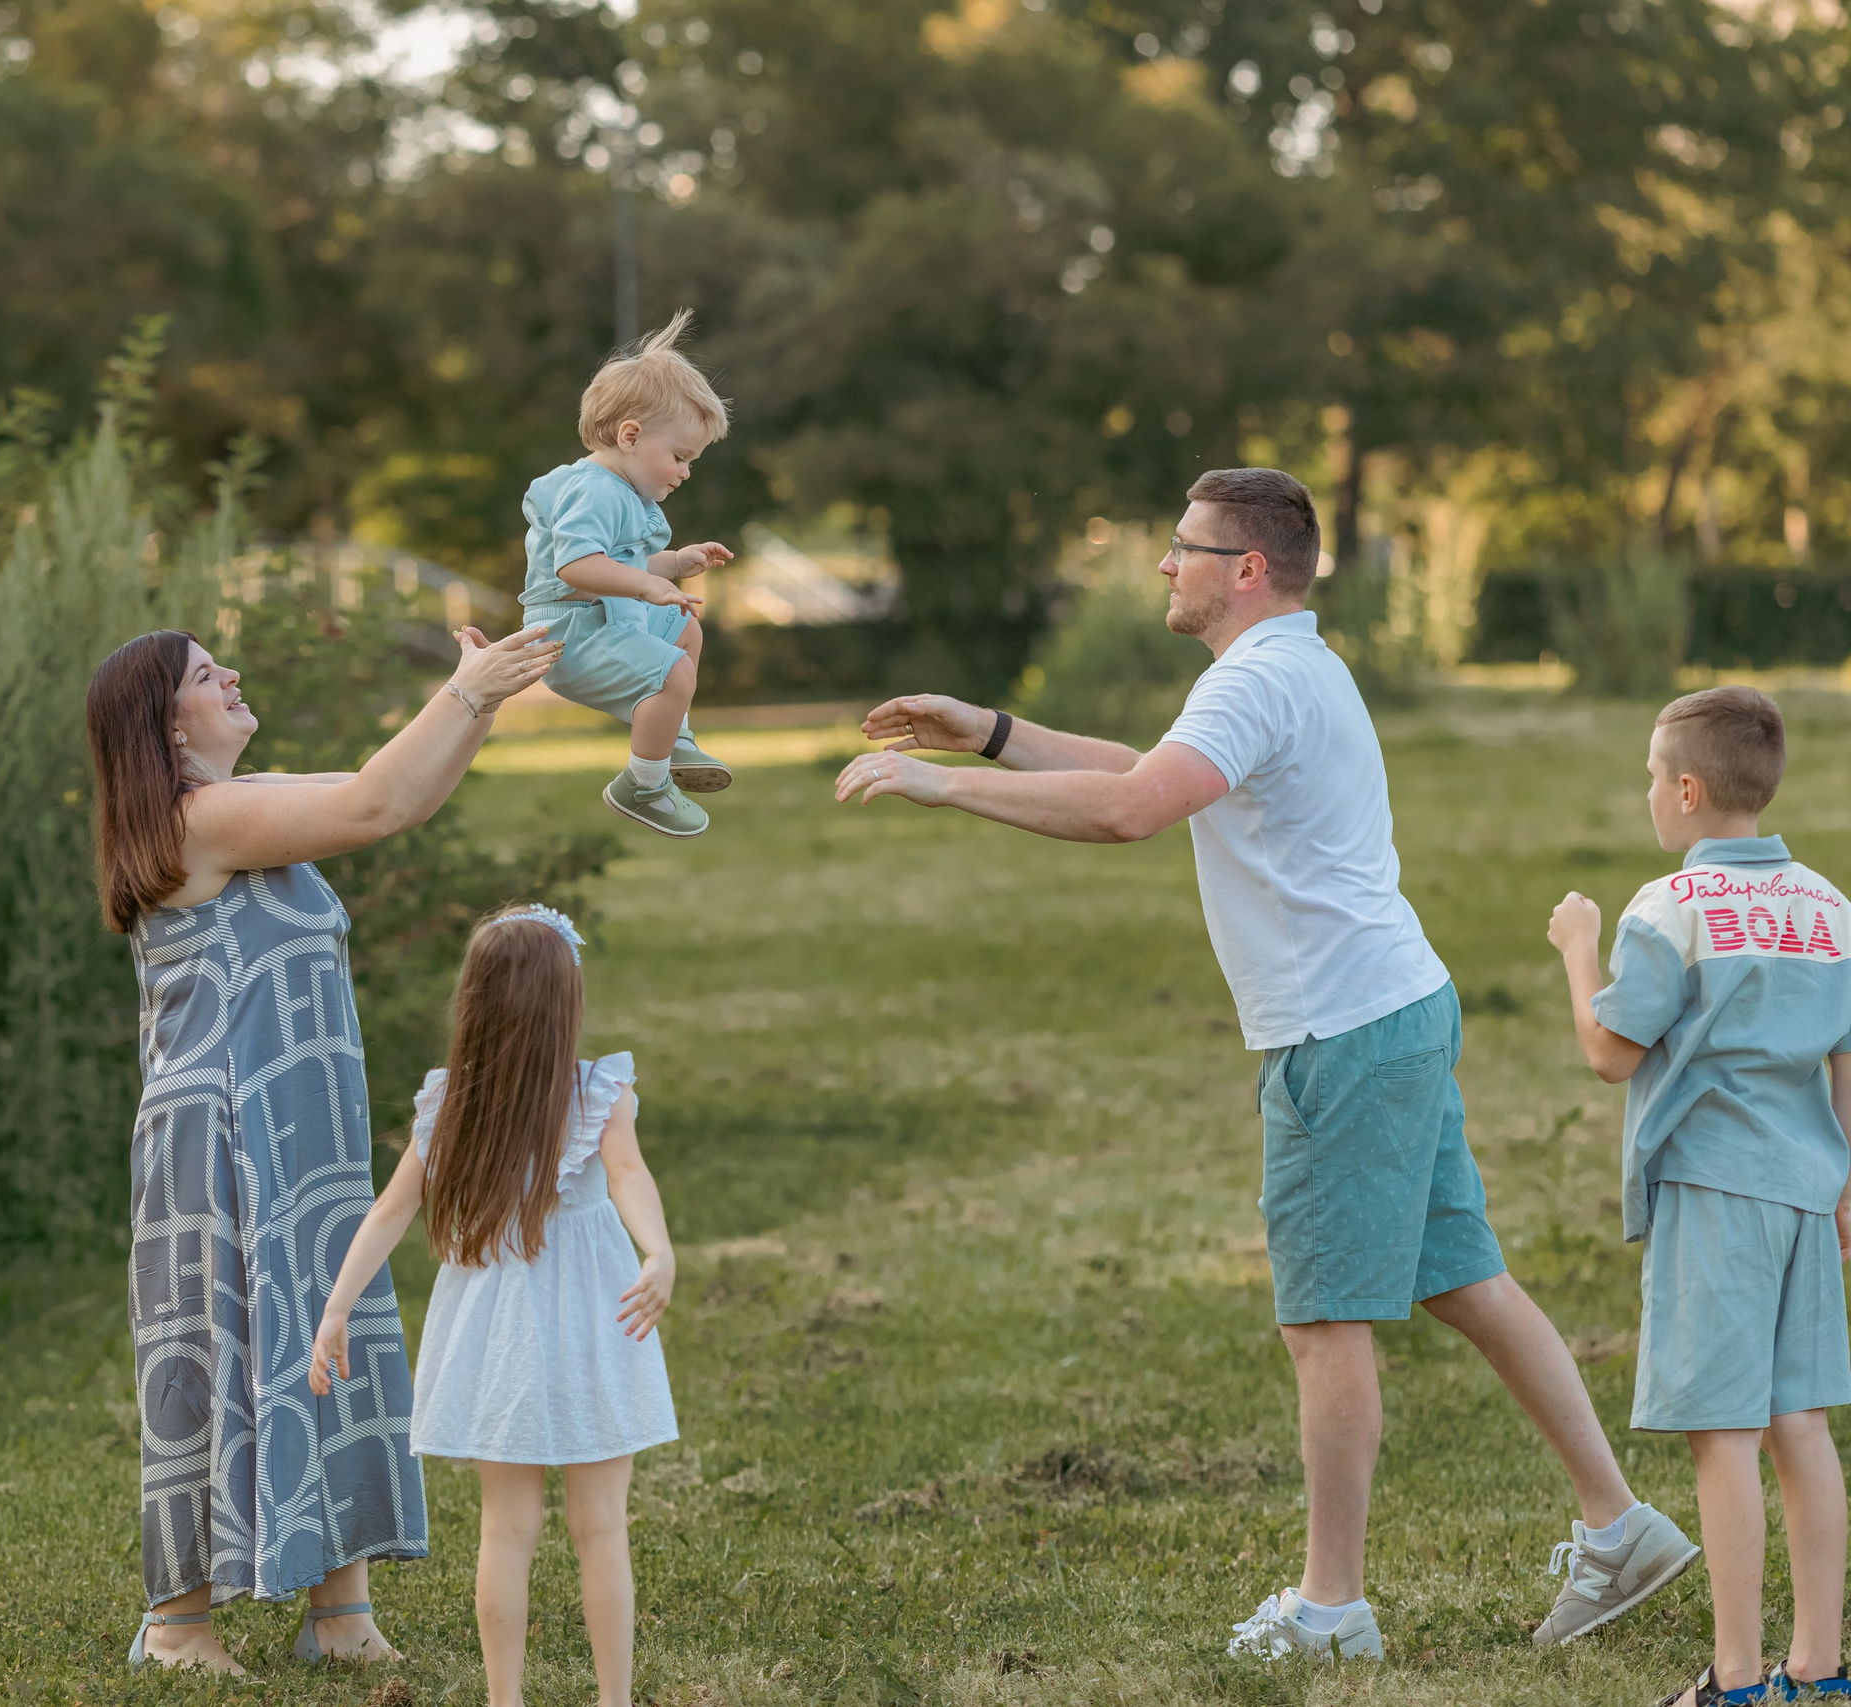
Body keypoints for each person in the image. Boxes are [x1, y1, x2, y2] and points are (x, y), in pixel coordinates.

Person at [832, 466, 1694, 1661]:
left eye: (1180, 547)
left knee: (1324, 1325)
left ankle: (1331, 1611)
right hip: (1391, 1010)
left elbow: (1132, 808)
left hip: (1340, 1035)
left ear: (1243, 568)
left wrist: (941, 784)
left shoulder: (1259, 678)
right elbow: (1154, 770)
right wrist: (988, 730)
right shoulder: (1284, 667)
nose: (1163, 564)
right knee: (1465, 1281)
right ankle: (1621, 1527)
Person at [86, 620, 561, 1675]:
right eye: (206, 674)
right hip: (221, 1133)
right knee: (209, 1355)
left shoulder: (240, 805)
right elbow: (373, 806)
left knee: (323, 1329)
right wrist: (469, 692)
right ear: (168, 725)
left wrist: (477, 697)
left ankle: (339, 1613)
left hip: (300, 1126)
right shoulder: (200, 821)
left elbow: (392, 795)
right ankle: (178, 1627)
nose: (231, 675)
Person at [1544, 687, 1851, 1707]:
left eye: (1649, 777)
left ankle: (1735, 1679)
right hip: (1808, 1193)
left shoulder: (1665, 908)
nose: (1646, 794)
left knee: (1720, 1435)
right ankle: (1818, 1668)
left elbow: (1610, 1051)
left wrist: (1577, 947)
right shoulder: (1829, 908)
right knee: (1800, 1426)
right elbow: (1846, 1062)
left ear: (1686, 790)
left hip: (1713, 1193)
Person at [309, 904, 679, 1707]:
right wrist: (657, 1248)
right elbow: (628, 1175)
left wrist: (337, 1307)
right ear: (567, 1003)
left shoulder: (452, 1105)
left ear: (474, 1002)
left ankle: (504, 1700)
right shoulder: (599, 1092)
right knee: (600, 1526)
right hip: (591, 1322)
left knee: (506, 1530)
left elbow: (390, 1211)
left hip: (498, 1332)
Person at [519, 308, 736, 840]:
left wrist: (674, 563)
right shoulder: (595, 489)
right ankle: (643, 784)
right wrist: (645, 584)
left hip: (606, 618)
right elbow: (575, 566)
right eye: (680, 456)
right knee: (673, 671)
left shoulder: (623, 493)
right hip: (572, 633)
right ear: (631, 435)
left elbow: (620, 565)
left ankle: (672, 738)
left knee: (685, 631)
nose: (686, 472)